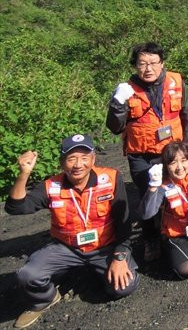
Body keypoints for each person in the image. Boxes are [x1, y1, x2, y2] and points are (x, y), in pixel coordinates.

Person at [5, 135, 138, 328]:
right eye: (71, 158)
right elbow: (16, 208)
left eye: (84, 158)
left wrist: (119, 258)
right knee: (27, 275)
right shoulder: (51, 186)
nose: (78, 164)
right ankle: (47, 298)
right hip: (66, 248)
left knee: (124, 286)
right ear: (62, 163)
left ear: (93, 159)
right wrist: (24, 174)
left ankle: (95, 272)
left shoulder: (111, 178)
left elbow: (123, 223)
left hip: (104, 247)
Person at [105, 42, 188, 261]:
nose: (148, 68)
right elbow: (115, 127)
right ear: (135, 65)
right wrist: (117, 103)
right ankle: (151, 239)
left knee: (180, 190)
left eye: (153, 62)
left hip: (173, 152)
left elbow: (187, 113)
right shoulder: (126, 90)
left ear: (162, 63)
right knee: (148, 196)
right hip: (142, 155)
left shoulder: (177, 81)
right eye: (142, 63)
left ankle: (180, 232)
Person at [139, 142, 188, 279]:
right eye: (173, 163)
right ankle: (168, 248)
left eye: (184, 160)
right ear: (165, 165)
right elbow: (146, 214)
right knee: (185, 270)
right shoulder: (162, 183)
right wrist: (152, 187)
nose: (180, 167)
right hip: (177, 233)